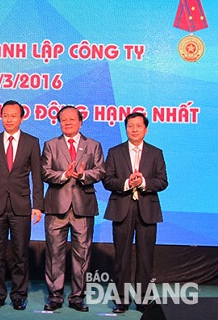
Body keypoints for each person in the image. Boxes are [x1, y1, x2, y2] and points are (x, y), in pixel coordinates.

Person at [0, 100, 43, 311]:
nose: (9, 119)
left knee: (20, 254)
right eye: (6, 115)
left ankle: (19, 295)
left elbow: (37, 177)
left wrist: (38, 205)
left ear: (22, 118)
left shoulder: (32, 142)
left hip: (22, 206)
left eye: (14, 115)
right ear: (1, 116)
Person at [41, 105, 105, 312]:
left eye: (71, 119)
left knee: (82, 253)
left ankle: (77, 296)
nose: (67, 123)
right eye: (63, 120)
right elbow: (44, 172)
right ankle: (55, 295)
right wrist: (64, 175)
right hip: (56, 206)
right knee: (54, 253)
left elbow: (101, 171)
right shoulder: (50, 145)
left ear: (80, 122)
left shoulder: (93, 145)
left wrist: (83, 176)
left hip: (83, 206)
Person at [103, 112, 168, 314]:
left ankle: (142, 300)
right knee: (121, 257)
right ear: (126, 128)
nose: (134, 129)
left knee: (145, 257)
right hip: (122, 208)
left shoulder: (156, 153)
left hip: (147, 209)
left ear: (145, 129)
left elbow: (163, 181)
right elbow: (107, 180)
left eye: (138, 126)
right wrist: (126, 183)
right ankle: (121, 300)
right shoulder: (115, 152)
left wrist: (143, 183)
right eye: (130, 126)